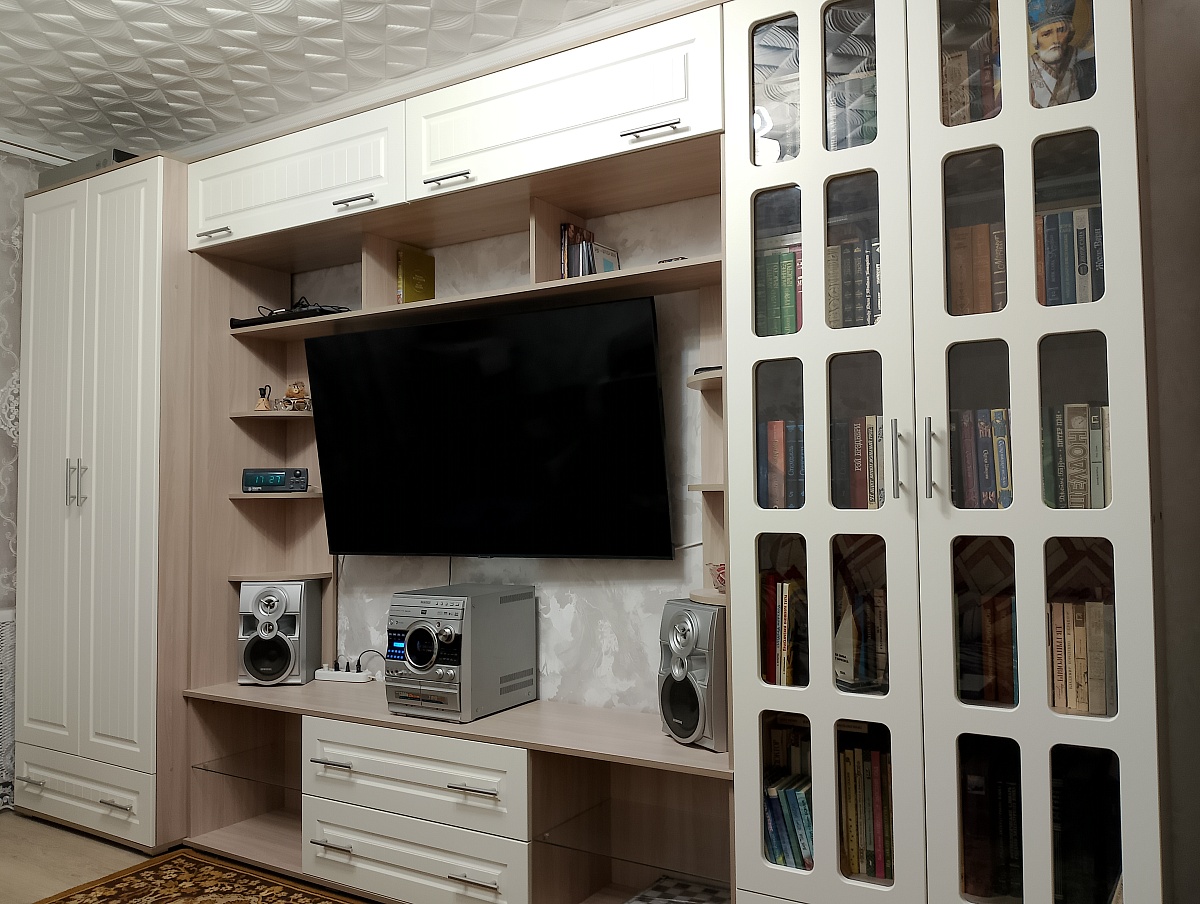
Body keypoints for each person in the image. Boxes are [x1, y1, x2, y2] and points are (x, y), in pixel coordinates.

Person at [1027, 0, 1096, 107]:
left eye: (1061, 30)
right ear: (1036, 39)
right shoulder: (1024, 70)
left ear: (1070, 32)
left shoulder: (1087, 61)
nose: (1055, 40)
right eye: (1047, 34)